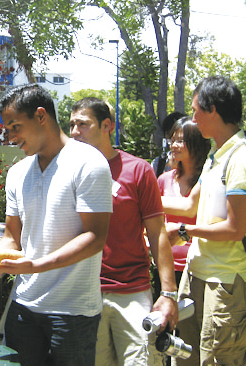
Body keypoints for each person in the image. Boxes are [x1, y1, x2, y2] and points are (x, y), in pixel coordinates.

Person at [0, 84, 113, 366]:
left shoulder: (88, 163)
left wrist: (35, 265)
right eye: (8, 129)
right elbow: (12, 238)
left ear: (41, 116)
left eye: (15, 127)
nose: (10, 137)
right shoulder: (18, 173)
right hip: (23, 308)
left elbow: (95, 237)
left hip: (73, 312)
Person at [69, 97, 178, 366]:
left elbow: (158, 234)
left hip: (131, 292)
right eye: (71, 125)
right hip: (85, 294)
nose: (74, 132)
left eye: (83, 124)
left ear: (107, 126)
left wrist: (168, 294)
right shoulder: (67, 173)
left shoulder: (138, 170)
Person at [162, 76, 246, 366]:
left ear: (213, 110)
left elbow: (236, 228)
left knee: (215, 360)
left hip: (223, 282)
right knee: (183, 356)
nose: (193, 118)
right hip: (195, 275)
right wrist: (138, 200)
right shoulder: (215, 157)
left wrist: (184, 232)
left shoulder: (240, 157)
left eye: (197, 110)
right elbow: (189, 205)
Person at [157, 117, 210, 287]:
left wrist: (146, 199)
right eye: (172, 140)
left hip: (198, 267)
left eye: (180, 140)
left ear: (197, 143)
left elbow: (190, 209)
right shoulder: (164, 179)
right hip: (165, 265)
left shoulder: (208, 180)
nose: (174, 145)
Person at [152, 112, 186, 177]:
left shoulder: (199, 165)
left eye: (180, 139)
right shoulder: (159, 163)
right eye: (169, 134)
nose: (174, 144)